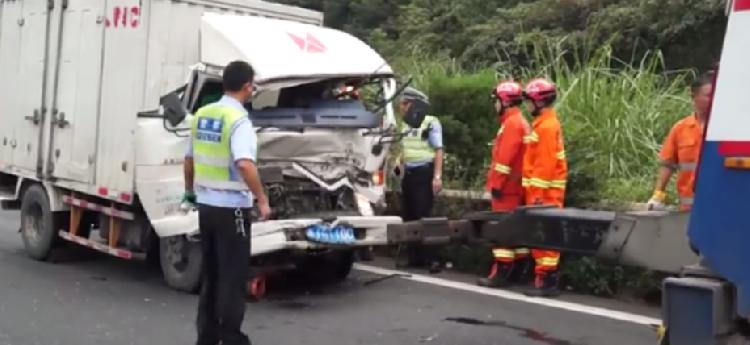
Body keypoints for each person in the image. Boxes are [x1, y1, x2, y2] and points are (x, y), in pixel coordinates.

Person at [183, 60, 272, 345]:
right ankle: (231, 338)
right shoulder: (239, 121)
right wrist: (261, 198)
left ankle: (206, 337)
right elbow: (244, 164)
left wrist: (190, 192)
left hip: (207, 208)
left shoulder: (202, 115)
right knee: (232, 277)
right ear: (247, 86)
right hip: (232, 209)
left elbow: (189, 159)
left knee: (212, 275)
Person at [478, 81, 533, 288]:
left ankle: (500, 273)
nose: (495, 106)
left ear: (505, 101)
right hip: (516, 187)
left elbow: (504, 160)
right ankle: (517, 272)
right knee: (515, 232)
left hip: (507, 189)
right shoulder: (520, 122)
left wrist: (496, 185)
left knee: (501, 231)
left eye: (497, 101)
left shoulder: (512, 124)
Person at [521, 78, 568, 297]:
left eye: (529, 100)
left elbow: (545, 165)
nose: (527, 105)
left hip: (545, 195)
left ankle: (547, 280)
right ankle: (543, 277)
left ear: (539, 101)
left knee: (546, 238)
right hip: (541, 194)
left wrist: (537, 195)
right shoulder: (543, 124)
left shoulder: (547, 127)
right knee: (540, 237)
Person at [647, 72, 714, 212]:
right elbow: (668, 164)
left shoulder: (725, 128)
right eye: (708, 95)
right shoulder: (680, 129)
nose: (713, 99)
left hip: (718, 204)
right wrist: (658, 194)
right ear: (693, 97)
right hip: (688, 208)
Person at [395, 86, 444, 273]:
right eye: (401, 104)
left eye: (405, 104)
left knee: (425, 217)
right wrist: (398, 162)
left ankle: (433, 259)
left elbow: (439, 150)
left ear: (415, 104)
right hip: (409, 175)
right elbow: (404, 148)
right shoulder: (405, 124)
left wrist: (437, 177)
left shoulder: (430, 123)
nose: (402, 107)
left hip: (425, 173)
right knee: (409, 216)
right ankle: (414, 258)